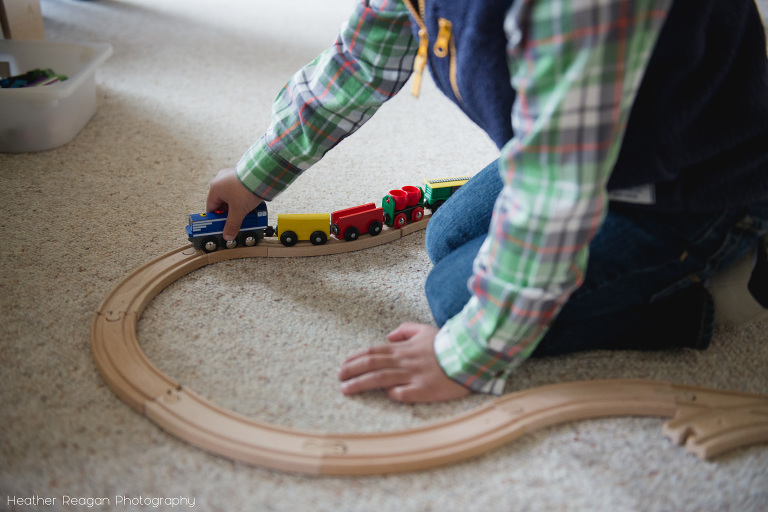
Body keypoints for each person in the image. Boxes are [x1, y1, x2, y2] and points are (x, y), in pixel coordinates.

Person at [207, 0, 768, 403]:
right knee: (446, 238)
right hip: (591, 147)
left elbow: (553, 197)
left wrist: (467, 357)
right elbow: (360, 61)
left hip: (695, 186)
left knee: (455, 301)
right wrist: (258, 173)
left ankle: (713, 289)